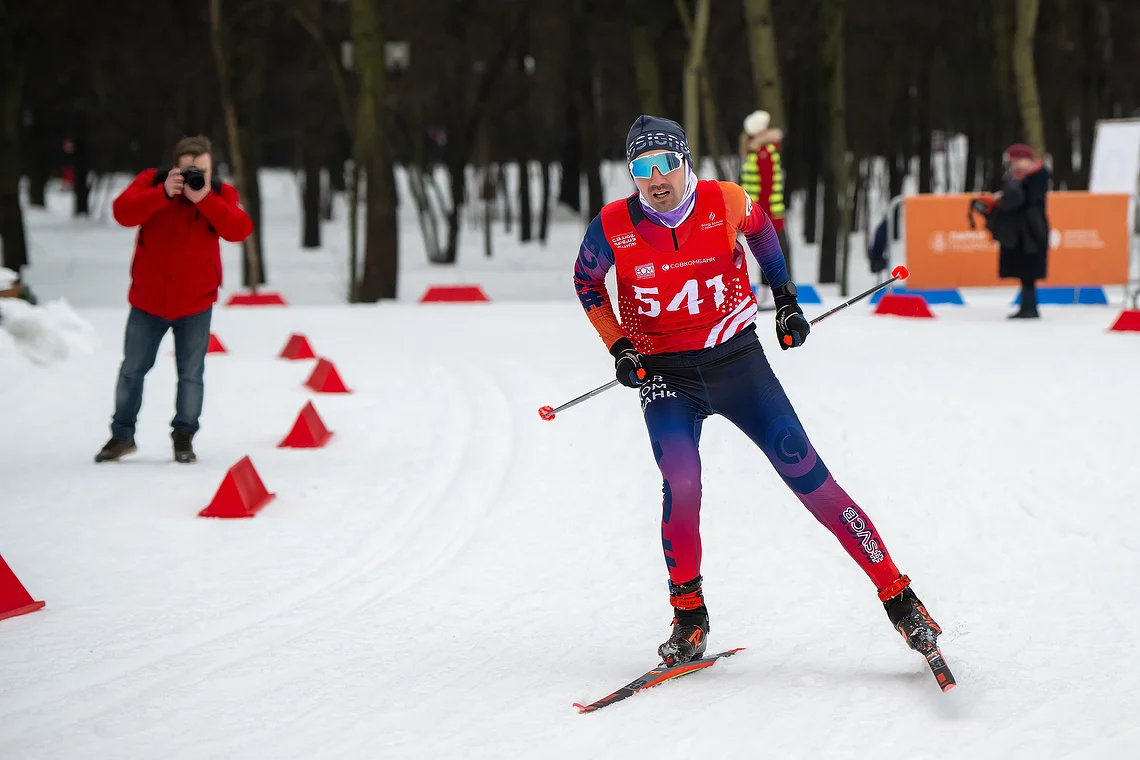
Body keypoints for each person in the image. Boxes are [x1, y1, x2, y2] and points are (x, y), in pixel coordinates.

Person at [573, 115, 942, 666]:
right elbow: (586, 283)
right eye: (641, 169)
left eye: (665, 164)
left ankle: (900, 598)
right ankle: (689, 619)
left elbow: (763, 231)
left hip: (736, 361)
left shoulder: (725, 201)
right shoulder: (613, 225)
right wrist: (618, 345)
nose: (655, 179)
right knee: (682, 478)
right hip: (664, 376)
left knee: (808, 473)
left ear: (684, 162)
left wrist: (786, 298)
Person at [95, 136, 252, 464]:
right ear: (174, 167)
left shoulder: (221, 193)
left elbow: (239, 230)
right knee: (131, 371)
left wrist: (205, 198)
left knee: (191, 374)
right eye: (189, 170)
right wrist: (164, 192)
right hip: (148, 301)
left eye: (203, 170)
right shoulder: (152, 182)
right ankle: (122, 436)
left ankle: (184, 437)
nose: (197, 176)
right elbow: (122, 213)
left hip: (195, 302)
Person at [985, 143, 1051, 319]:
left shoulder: (1036, 177)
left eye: (1018, 160)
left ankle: (1029, 308)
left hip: (1031, 231)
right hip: (1020, 232)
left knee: (1029, 271)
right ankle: (1027, 306)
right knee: (1024, 272)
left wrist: (1004, 196)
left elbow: (1023, 200)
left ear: (1028, 159)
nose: (1015, 164)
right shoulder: (1016, 178)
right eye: (1013, 161)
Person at [739, 109, 791, 306]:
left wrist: (759, 215)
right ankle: (767, 292)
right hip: (766, 213)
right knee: (767, 252)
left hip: (766, 213)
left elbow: (766, 186)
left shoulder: (762, 152)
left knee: (769, 252)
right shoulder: (761, 151)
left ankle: (771, 293)